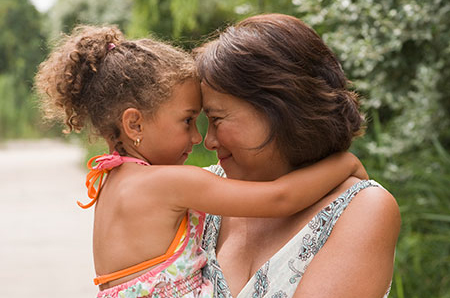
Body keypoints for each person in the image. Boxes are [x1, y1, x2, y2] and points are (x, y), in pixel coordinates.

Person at [34, 25, 367, 298]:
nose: (198, 138)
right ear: (135, 124)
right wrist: (344, 165)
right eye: (188, 120)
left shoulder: (113, 182)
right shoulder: (167, 183)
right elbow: (280, 198)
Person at [195, 13, 401, 298]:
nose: (209, 142)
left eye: (217, 119)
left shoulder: (363, 208)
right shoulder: (199, 196)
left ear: (278, 111)